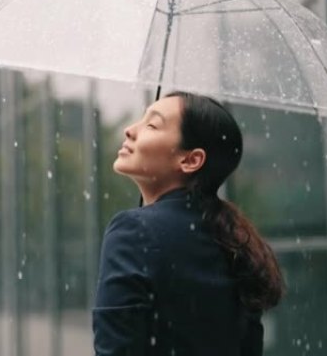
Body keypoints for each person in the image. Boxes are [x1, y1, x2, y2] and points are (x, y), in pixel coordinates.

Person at [92, 91, 285, 356]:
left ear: (191, 160)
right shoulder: (234, 241)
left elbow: (115, 349)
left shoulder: (132, 231)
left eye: (152, 125)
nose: (130, 130)